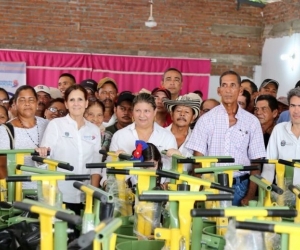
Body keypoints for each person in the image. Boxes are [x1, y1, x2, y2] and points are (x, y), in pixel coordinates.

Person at [185, 70, 266, 206]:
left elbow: (256, 163)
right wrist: (198, 192)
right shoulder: (206, 120)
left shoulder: (252, 122)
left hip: (240, 187)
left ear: (240, 90)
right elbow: (198, 161)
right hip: (211, 185)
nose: (228, 90)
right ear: (219, 90)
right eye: (224, 85)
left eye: (233, 85)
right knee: (210, 225)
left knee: (236, 227)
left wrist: (250, 196)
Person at [38, 84, 102, 216]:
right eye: (72, 100)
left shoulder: (94, 130)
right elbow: (46, 158)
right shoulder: (56, 125)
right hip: (60, 195)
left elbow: (96, 166)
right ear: (66, 104)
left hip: (86, 196)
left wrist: (93, 195)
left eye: (80, 99)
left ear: (86, 103)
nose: (76, 104)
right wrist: (43, 152)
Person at [101, 93, 177, 187]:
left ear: (155, 111)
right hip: (126, 193)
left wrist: (164, 187)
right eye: (138, 110)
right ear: (133, 111)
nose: (142, 115)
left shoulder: (167, 137)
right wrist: (108, 185)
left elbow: (173, 171)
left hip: (160, 195)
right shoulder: (120, 136)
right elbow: (108, 166)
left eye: (146, 111)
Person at [0, 86, 49, 182]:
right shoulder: (4, 131)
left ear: (36, 103)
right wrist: (10, 191)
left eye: (31, 100)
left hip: (48, 189)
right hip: (20, 191)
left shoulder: (47, 124)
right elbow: (1, 166)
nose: (27, 104)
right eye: (22, 100)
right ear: (15, 104)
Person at [261, 88, 300, 185]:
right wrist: (265, 190)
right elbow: (269, 166)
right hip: (284, 193)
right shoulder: (279, 130)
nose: (296, 111)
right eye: (293, 106)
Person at [164, 93, 201, 173]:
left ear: (193, 118)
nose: (182, 114)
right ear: (171, 115)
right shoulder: (160, 134)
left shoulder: (197, 140)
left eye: (187, 112)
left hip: (185, 184)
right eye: (178, 110)